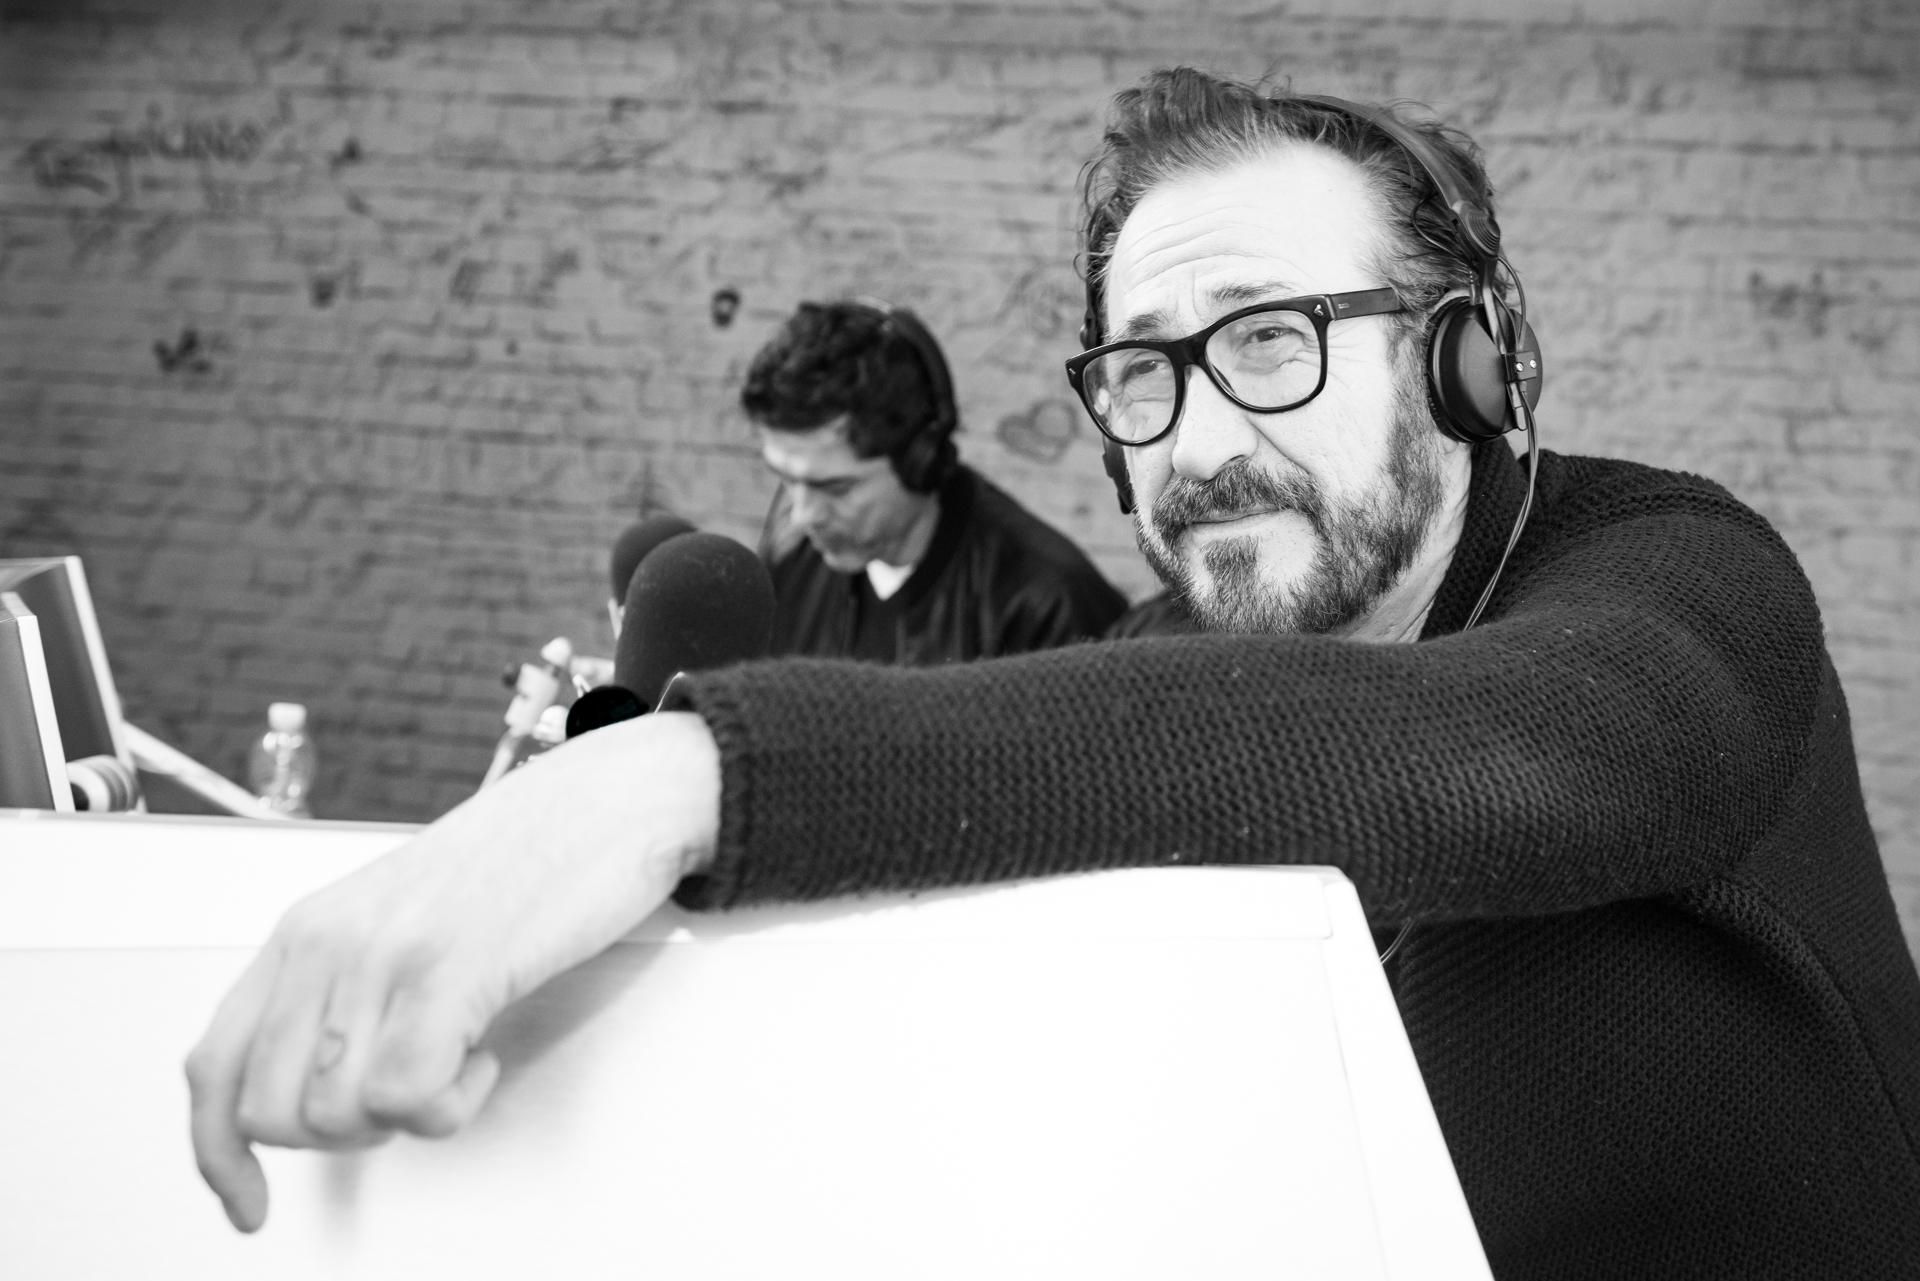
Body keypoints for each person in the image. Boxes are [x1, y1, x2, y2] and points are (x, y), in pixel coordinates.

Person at [185, 68, 1920, 1279]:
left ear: (1470, 360)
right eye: (1144, 375)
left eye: (1272, 339)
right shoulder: (1163, 659)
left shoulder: (1686, 589)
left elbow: (1492, 753)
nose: (1201, 441)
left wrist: (686, 779)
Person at [742, 299, 1125, 662]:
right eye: (786, 480)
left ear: (919, 460)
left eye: (835, 489)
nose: (803, 516)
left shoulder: (1049, 605)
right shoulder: (787, 550)